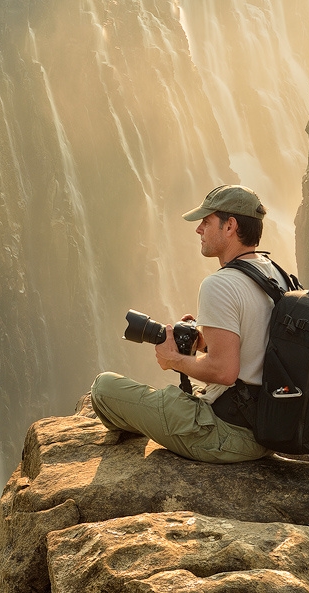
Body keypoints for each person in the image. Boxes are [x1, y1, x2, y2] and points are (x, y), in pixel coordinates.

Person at [90, 184, 288, 463]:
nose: (199, 230)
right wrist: (205, 339)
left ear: (230, 226)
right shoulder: (275, 273)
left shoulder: (220, 284)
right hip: (268, 427)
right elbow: (258, 338)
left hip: (229, 435)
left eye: (206, 222)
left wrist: (173, 359)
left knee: (103, 389)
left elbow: (224, 372)